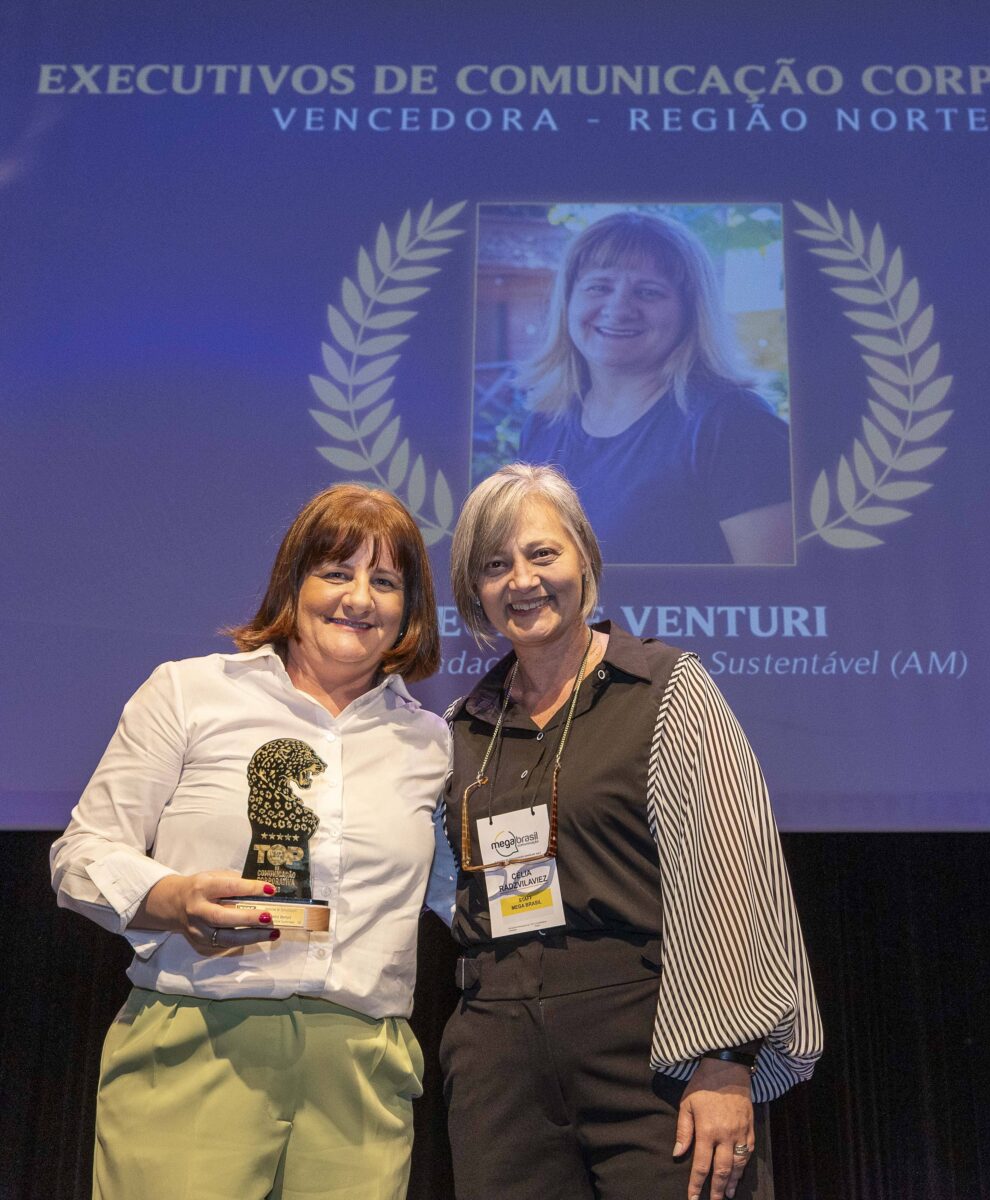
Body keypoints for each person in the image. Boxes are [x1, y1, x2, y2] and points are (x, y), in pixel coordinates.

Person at [429, 464, 821, 1200]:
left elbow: (730, 875)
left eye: (542, 554)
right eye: (495, 565)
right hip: (498, 1061)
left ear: (583, 558)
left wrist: (726, 1060)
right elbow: (438, 890)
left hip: (652, 1049)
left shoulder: (667, 688)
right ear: (473, 589)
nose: (522, 581)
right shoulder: (462, 728)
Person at [50, 484, 449, 1200]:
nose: (359, 598)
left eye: (386, 581)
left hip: (360, 1077)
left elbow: (459, 895)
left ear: (409, 609)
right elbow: (80, 856)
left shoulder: (432, 742)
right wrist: (172, 899)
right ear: (293, 583)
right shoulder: (188, 694)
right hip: (195, 1048)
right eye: (336, 572)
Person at [516, 211, 794, 565]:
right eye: (599, 287)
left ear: (690, 313)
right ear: (567, 302)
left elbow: (774, 594)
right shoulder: (543, 425)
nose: (618, 308)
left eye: (648, 292)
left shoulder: (735, 424)